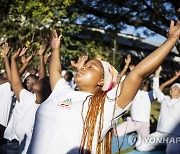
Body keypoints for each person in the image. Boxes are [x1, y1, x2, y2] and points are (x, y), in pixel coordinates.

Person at [28, 20, 180, 154]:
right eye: (84, 66)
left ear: (102, 80)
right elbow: (54, 70)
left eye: (90, 67)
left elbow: (138, 74)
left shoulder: (106, 105)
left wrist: (171, 40)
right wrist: (55, 49)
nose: (82, 68)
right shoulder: (61, 90)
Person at [137, 67, 180, 154]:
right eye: (172, 88)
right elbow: (156, 88)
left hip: (174, 136)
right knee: (140, 147)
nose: (172, 89)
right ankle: (160, 144)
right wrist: (157, 74)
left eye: (175, 88)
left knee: (172, 152)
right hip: (159, 134)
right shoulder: (164, 99)